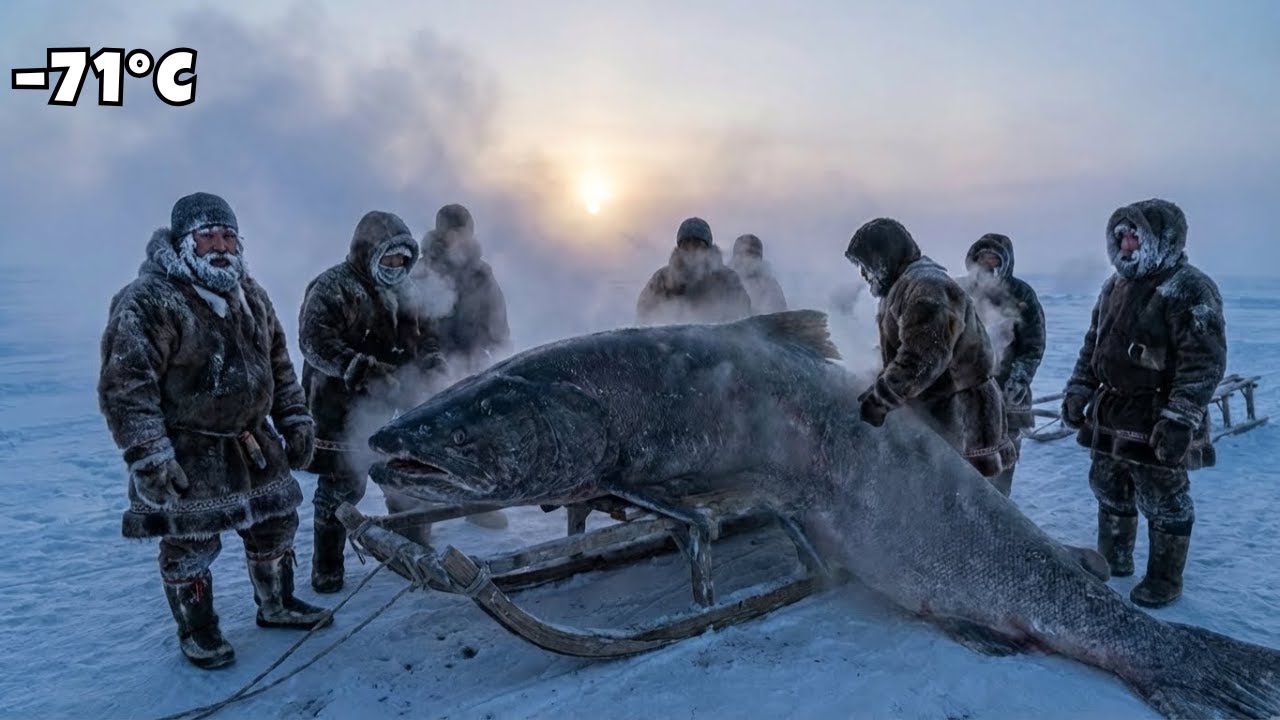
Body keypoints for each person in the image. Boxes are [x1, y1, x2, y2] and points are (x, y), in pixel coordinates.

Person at [98, 192, 331, 670]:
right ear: (185, 242)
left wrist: (296, 420)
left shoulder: (252, 294)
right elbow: (126, 384)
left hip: (254, 441)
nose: (220, 246)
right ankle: (199, 629)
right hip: (188, 448)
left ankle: (277, 603)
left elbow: (281, 367)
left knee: (276, 521)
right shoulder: (149, 300)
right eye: (207, 236)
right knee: (191, 542)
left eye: (228, 235)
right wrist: (150, 455)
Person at [1061, 198, 1226, 608]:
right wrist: (1079, 388)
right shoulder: (1114, 286)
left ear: (1161, 239)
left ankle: (1164, 581)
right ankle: (1114, 561)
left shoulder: (1189, 288)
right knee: (1108, 487)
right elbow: (1092, 345)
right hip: (1112, 411)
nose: (1127, 246)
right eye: (1122, 238)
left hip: (1158, 414)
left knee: (1163, 498)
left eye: (1135, 237)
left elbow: (1203, 363)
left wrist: (1180, 418)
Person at [298, 210, 450, 594]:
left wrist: (431, 360)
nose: (396, 265)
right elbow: (314, 341)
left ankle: (414, 549)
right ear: (368, 252)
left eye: (403, 258)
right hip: (341, 409)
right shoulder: (332, 287)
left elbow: (427, 334)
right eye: (389, 257)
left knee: (405, 477)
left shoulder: (409, 290)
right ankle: (327, 568)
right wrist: (359, 368)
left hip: (397, 405)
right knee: (343, 488)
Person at [844, 218, 1016, 480]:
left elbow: (924, 357)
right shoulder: (903, 287)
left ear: (883, 259)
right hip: (943, 411)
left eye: (866, 266)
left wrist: (882, 399)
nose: (864, 274)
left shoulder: (927, 287)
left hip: (964, 419)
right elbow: (905, 350)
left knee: (963, 501)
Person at [409, 202, 512, 530]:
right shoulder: (423, 272)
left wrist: (500, 347)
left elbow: (495, 310)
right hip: (433, 367)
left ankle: (478, 504)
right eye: (453, 230)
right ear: (441, 231)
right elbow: (414, 322)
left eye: (464, 230)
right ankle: (419, 514)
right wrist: (428, 360)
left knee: (478, 439)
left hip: (472, 364)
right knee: (428, 441)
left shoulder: (481, 271)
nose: (459, 237)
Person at [956, 233, 1046, 496]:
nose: (988, 263)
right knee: (966, 464)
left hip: (1009, 394)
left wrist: (1019, 378)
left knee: (1002, 463)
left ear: (1006, 262)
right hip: (967, 393)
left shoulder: (1022, 294)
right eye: (983, 257)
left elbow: (1033, 345)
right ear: (973, 259)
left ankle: (1000, 510)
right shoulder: (960, 291)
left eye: (995, 257)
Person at [636, 217, 753, 325]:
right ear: (679, 247)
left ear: (707, 247)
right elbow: (643, 312)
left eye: (697, 243)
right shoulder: (662, 279)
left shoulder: (726, 278)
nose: (692, 249)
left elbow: (743, 313)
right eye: (686, 243)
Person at [729, 233, 788, 314]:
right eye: (744, 254)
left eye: (753, 255)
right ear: (736, 256)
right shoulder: (726, 280)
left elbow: (780, 313)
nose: (748, 259)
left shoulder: (769, 284)